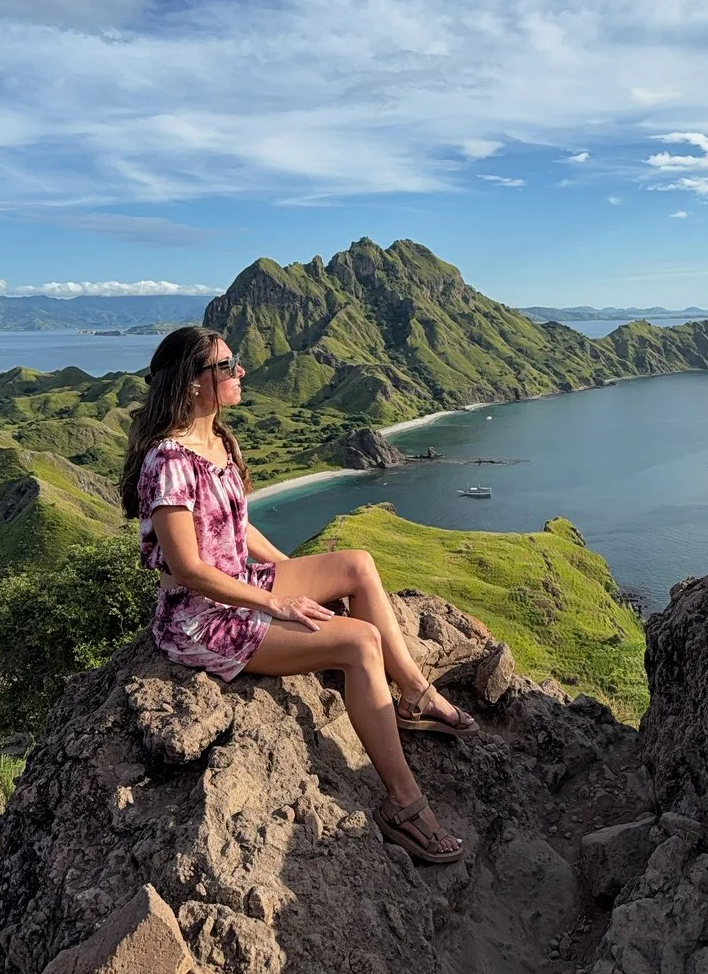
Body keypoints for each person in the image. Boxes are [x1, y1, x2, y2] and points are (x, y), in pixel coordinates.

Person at [117, 326, 479, 863]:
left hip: (240, 586)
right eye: (227, 366)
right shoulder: (169, 462)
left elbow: (237, 531)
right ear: (194, 384)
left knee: (356, 564)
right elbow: (189, 569)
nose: (241, 371)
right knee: (358, 644)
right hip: (202, 618)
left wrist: (294, 572)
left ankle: (414, 693)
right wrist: (277, 603)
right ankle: (403, 804)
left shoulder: (219, 440)